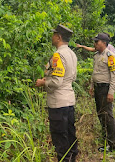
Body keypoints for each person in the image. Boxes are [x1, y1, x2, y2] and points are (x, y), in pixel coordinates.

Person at [35, 24, 79, 161]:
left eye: (54, 34)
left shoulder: (58, 55)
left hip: (58, 102)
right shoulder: (72, 54)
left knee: (60, 138)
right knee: (70, 134)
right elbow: (72, 77)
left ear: (58, 37)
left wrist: (43, 83)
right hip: (69, 100)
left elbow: (56, 82)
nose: (52, 37)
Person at [90, 33, 115, 152]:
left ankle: (111, 144)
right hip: (97, 88)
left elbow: (114, 76)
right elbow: (95, 72)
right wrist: (92, 86)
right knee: (100, 113)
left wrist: (111, 92)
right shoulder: (96, 56)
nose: (95, 44)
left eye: (97, 42)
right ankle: (105, 138)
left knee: (107, 116)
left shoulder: (110, 56)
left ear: (104, 43)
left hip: (105, 88)